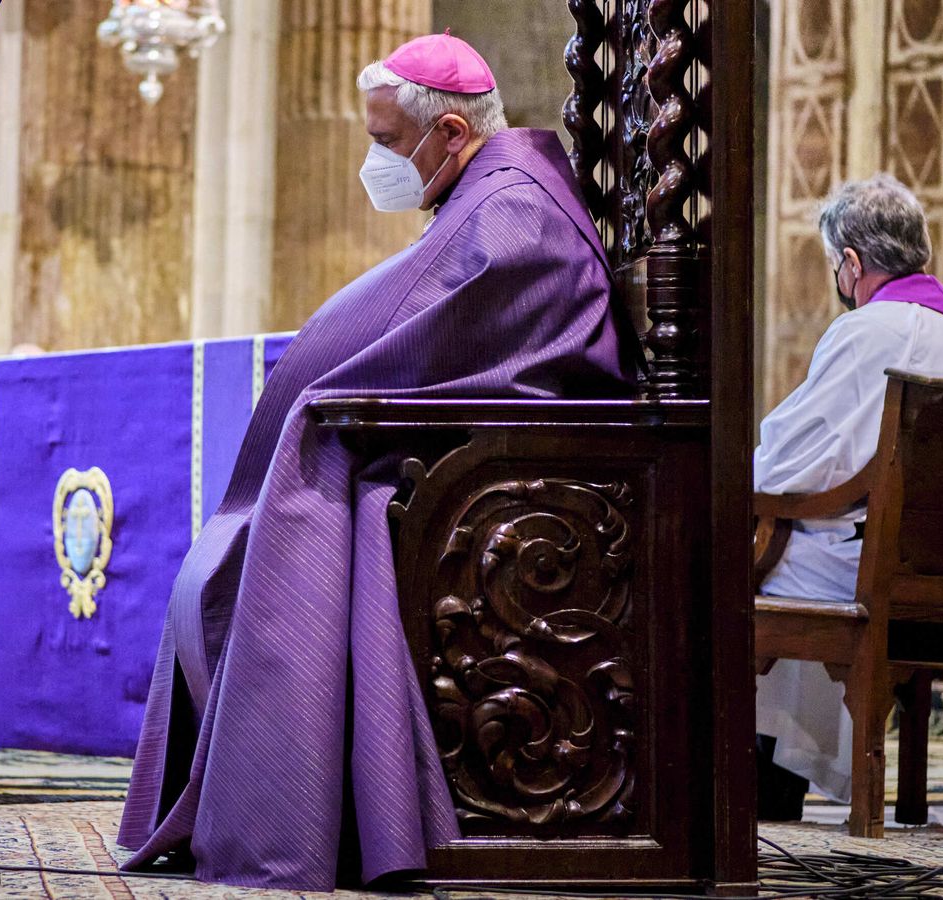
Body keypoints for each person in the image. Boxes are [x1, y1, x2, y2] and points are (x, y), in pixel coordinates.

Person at [118, 34, 638, 890]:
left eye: (389, 142)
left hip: (515, 468)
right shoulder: (493, 189)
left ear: (454, 135)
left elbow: (466, 330)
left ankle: (300, 812)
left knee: (319, 503)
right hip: (472, 450)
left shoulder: (513, 209)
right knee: (293, 506)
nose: (376, 161)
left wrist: (331, 389)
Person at [753, 175, 943, 820]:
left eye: (834, 265)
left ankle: (769, 780)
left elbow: (791, 469)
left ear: (851, 264)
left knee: (766, 556)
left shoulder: (869, 332)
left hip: (883, 576)